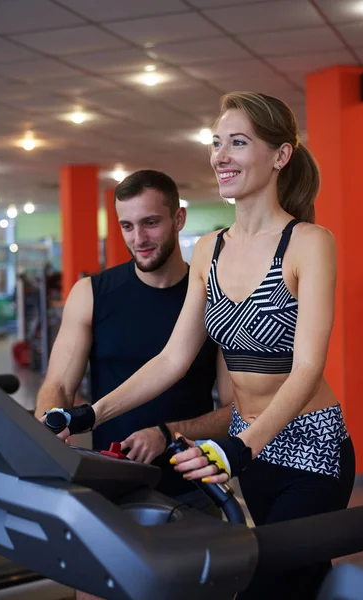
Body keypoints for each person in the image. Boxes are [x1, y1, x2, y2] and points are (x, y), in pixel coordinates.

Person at [45, 93, 356, 600]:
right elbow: (173, 357)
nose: (220, 155)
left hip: (311, 448)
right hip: (249, 451)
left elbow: (307, 368)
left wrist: (240, 446)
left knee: (269, 585)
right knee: (291, 580)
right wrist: (88, 416)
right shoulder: (210, 248)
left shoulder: (309, 243)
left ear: (280, 156)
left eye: (238, 142)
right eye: (216, 143)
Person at [35, 169, 233, 509]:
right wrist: (48, 439)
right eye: (127, 226)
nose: (138, 238)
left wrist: (167, 432)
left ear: (178, 218)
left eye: (151, 223)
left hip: (191, 488)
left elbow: (234, 412)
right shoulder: (91, 294)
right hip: (108, 485)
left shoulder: (213, 299)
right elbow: (59, 387)